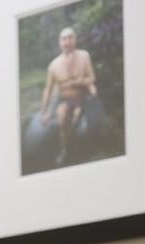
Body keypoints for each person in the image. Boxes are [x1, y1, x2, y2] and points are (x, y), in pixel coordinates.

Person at [39, 26, 98, 163]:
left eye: (70, 37)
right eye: (64, 38)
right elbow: (48, 89)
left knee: (78, 119)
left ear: (75, 40)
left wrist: (81, 81)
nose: (67, 41)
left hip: (82, 97)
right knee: (61, 118)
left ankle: (83, 146)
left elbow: (92, 78)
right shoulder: (53, 65)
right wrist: (44, 112)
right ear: (60, 43)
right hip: (64, 99)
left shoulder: (84, 56)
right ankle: (66, 150)